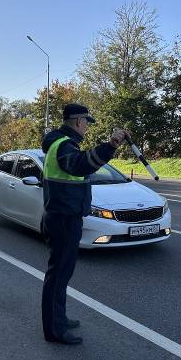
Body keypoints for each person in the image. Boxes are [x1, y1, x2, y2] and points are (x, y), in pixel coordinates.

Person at [41, 103, 130, 345]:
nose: (87, 128)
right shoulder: (64, 146)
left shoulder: (59, 143)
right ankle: (54, 330)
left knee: (62, 274)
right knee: (58, 275)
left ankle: (58, 318)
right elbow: (81, 164)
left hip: (63, 216)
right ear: (79, 121)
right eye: (87, 123)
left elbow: (80, 162)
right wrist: (111, 145)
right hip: (64, 219)